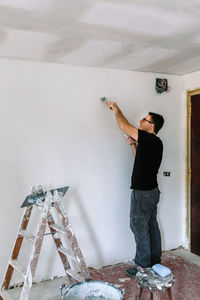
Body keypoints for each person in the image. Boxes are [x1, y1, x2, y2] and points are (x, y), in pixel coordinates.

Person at [106, 101, 164, 278]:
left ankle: (142, 267)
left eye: (144, 119)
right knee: (151, 226)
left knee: (139, 227)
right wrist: (133, 145)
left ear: (151, 125)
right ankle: (154, 263)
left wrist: (116, 108)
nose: (140, 121)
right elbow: (141, 161)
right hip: (152, 192)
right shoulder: (155, 142)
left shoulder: (148, 139)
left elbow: (124, 125)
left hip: (142, 194)